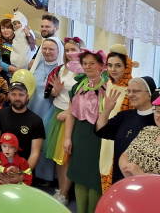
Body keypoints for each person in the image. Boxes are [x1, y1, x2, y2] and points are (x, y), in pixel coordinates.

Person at [65, 49, 108, 213]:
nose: (88, 66)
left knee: (94, 179)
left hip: (99, 137)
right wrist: (67, 138)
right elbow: (70, 114)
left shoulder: (107, 87)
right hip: (79, 134)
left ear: (101, 66)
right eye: (85, 63)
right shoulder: (77, 87)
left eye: (92, 63)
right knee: (79, 176)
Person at [43, 36, 84, 205]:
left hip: (71, 116)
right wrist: (55, 91)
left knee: (66, 158)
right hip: (57, 113)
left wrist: (69, 112)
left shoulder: (83, 72)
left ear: (81, 51)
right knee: (58, 157)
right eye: (67, 50)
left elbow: (84, 98)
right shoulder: (61, 69)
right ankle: (61, 190)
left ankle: (65, 194)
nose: (69, 53)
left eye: (73, 50)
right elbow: (52, 93)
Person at [95, 76, 157, 186]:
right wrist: (107, 110)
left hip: (145, 183)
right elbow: (101, 130)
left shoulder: (156, 120)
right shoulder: (125, 116)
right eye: (129, 91)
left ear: (150, 94)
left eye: (136, 91)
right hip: (119, 178)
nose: (130, 95)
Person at [96, 44, 136, 192]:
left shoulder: (131, 89)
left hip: (121, 141)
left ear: (126, 67)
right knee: (105, 172)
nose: (113, 69)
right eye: (110, 65)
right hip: (106, 137)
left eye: (118, 65)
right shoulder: (109, 83)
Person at [28, 37, 63, 183]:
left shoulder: (61, 69)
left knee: (45, 143)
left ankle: (45, 176)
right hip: (32, 108)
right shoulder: (36, 64)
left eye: (51, 49)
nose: (47, 52)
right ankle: (28, 171)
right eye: (44, 48)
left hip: (48, 111)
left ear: (58, 51)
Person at [0, 82, 45, 171]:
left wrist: (22, 174)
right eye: (13, 94)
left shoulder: (36, 121)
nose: (17, 98)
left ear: (27, 96)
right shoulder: (0, 115)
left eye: (21, 95)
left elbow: (35, 153)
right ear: (9, 96)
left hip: (23, 169)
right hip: (1, 167)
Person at [119, 96, 160, 176]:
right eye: (158, 111)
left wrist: (141, 175)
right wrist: (127, 171)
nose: (159, 116)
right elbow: (125, 155)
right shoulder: (148, 130)